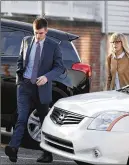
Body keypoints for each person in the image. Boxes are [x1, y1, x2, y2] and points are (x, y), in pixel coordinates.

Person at [5, 17, 66, 163]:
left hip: (42, 88)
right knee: (21, 118)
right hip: (25, 86)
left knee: (44, 121)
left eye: (40, 33)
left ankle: (47, 154)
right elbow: (21, 61)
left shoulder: (54, 46)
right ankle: (13, 149)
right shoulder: (26, 41)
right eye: (35, 33)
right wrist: (20, 81)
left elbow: (60, 67)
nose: (37, 37)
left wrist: (47, 77)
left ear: (46, 31)